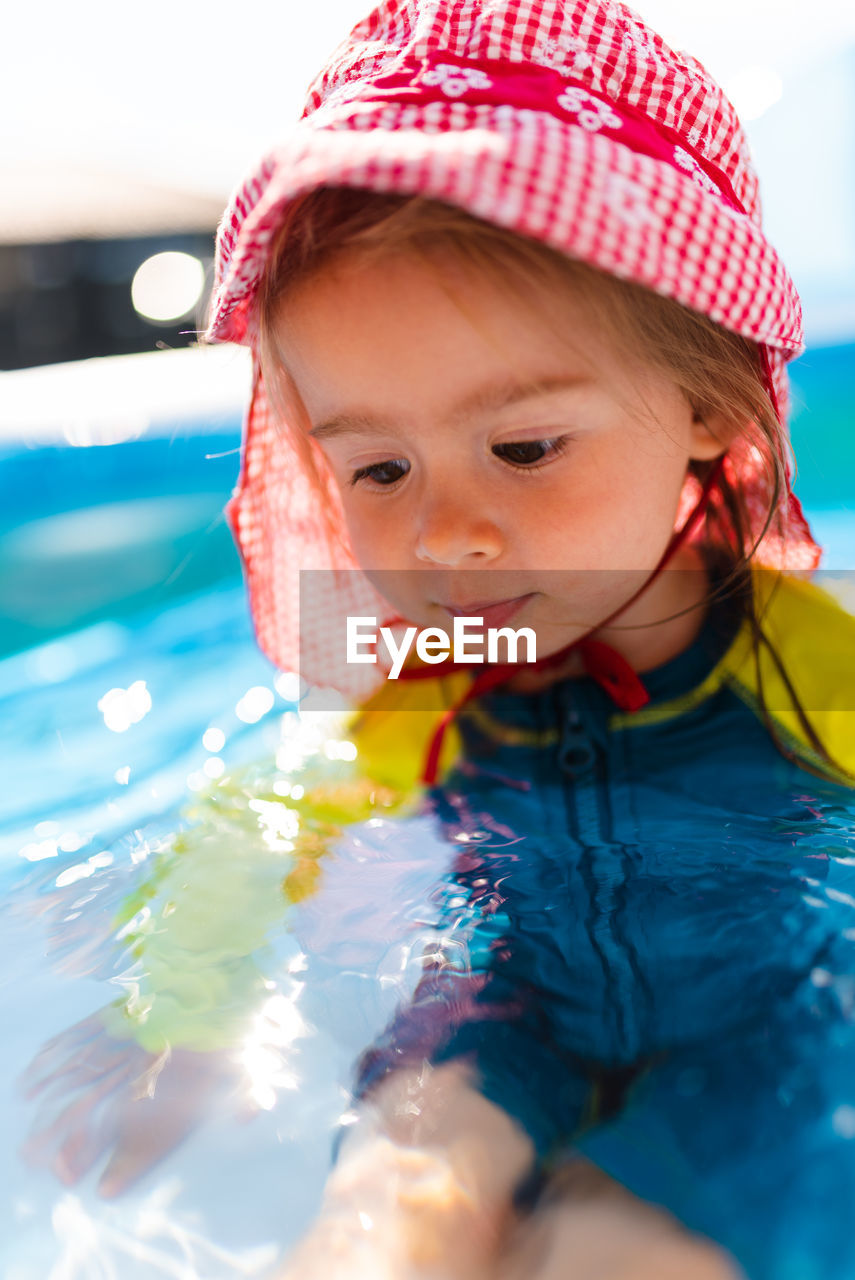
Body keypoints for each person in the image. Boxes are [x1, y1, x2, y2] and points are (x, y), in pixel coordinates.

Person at [22, 1, 855, 1276]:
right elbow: (268, 821)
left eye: (523, 448)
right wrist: (173, 1018)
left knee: (607, 1250)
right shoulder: (421, 676)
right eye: (379, 467)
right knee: (388, 1210)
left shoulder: (807, 657)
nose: (446, 535)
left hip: (776, 1022)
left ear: (703, 402)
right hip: (506, 1010)